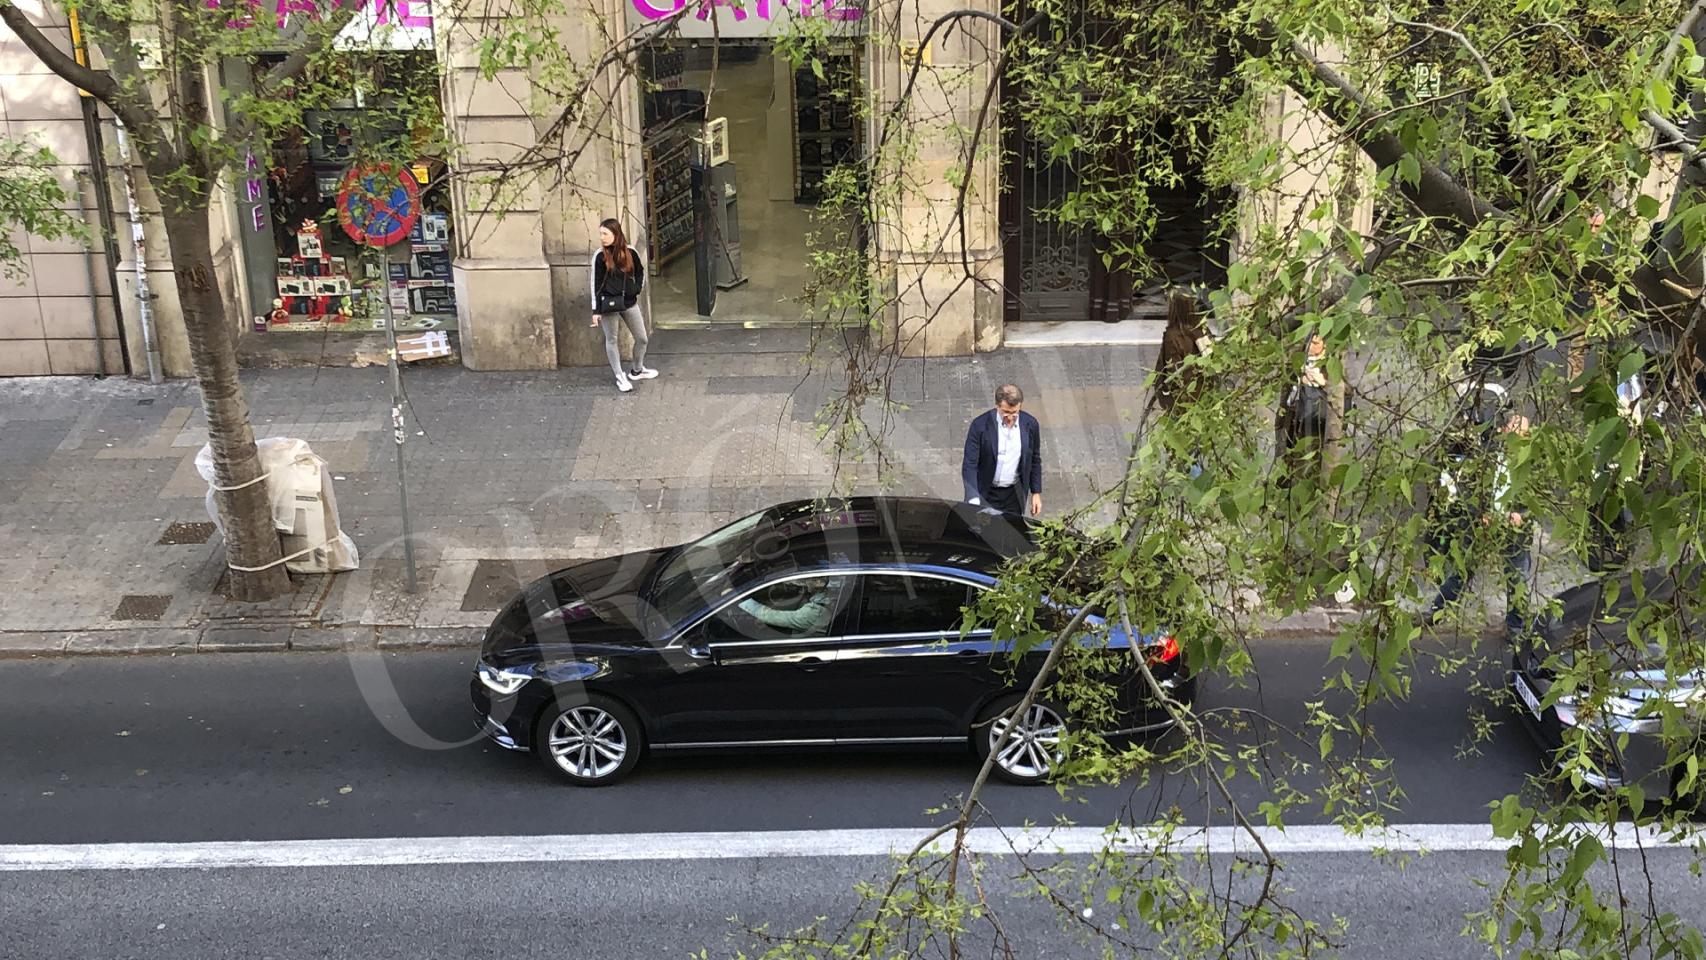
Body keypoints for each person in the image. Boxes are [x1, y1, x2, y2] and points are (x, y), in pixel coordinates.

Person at [1424, 401, 1532, 633]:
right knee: (1462, 571)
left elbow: (1536, 497)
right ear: (1505, 431)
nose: (1521, 436)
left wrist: (1522, 515)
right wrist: (1479, 513)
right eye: (1516, 430)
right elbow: (1468, 486)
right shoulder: (1486, 454)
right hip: (1481, 523)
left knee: (1517, 576)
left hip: (1514, 528)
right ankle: (1436, 612)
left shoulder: (1529, 462)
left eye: (1525, 433)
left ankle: (1516, 627)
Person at [589, 218, 656, 393]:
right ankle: (619, 375)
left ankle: (637, 369)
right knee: (612, 339)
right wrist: (596, 310)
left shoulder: (630, 252)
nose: (602, 237)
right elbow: (595, 284)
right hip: (608, 303)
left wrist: (636, 289)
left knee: (642, 338)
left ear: (616, 234)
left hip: (628, 302)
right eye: (600, 233)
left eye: (605, 233)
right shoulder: (599, 256)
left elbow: (640, 271)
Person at [962, 384, 1043, 516]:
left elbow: (1035, 459)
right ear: (997, 406)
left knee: (1011, 532)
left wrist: (1036, 492)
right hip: (986, 492)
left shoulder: (1031, 425)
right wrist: (973, 498)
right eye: (1006, 412)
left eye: (1014, 413)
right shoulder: (979, 426)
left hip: (1014, 495)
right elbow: (970, 464)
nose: (1010, 418)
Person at [737, 577, 841, 635]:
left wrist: (741, 600)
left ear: (819, 582)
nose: (805, 581)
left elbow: (769, 615)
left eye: (808, 579)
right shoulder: (828, 594)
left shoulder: (814, 613)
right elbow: (801, 585)